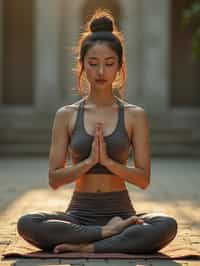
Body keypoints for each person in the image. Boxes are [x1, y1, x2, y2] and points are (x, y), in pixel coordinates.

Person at [17, 9, 177, 254]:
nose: (101, 72)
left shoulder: (134, 115)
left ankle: (87, 246)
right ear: (82, 65)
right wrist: (89, 161)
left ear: (119, 67)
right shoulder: (66, 115)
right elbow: (54, 179)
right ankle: (108, 235)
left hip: (121, 211)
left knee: (166, 225)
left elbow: (143, 179)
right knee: (27, 223)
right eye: (93, 63)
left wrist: (108, 162)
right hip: (79, 214)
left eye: (109, 63)